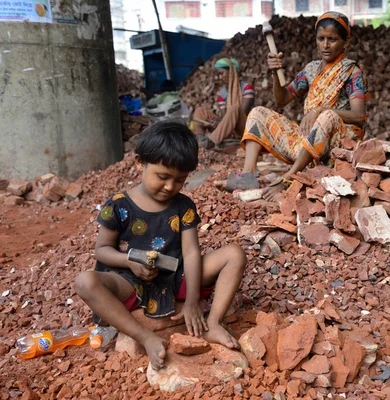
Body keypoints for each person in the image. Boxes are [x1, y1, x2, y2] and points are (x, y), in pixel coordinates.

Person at [74, 121, 246, 370]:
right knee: (85, 282)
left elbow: (191, 252)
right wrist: (131, 261)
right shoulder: (118, 205)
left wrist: (191, 302)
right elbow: (102, 251)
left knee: (234, 254)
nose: (170, 186)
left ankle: (215, 322)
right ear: (140, 163)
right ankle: (146, 337)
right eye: (163, 177)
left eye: (179, 180)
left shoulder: (183, 206)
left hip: (175, 276)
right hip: (130, 281)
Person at [217, 12, 368, 199]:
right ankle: (247, 176)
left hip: (334, 147)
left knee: (327, 116)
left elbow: (359, 116)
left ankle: (289, 178)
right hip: (307, 144)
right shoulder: (311, 69)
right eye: (321, 39)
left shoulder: (351, 72)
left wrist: (321, 110)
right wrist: (275, 72)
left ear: (345, 43)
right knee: (257, 113)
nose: (325, 45)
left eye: (332, 39)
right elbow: (282, 99)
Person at [192, 58, 256, 149]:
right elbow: (225, 117)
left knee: (234, 108)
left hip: (245, 127)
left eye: (222, 73)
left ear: (231, 72)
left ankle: (212, 141)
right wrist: (215, 123)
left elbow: (242, 113)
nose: (220, 77)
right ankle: (200, 139)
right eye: (218, 74)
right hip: (229, 129)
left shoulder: (247, 88)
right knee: (200, 111)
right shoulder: (222, 93)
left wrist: (222, 123)